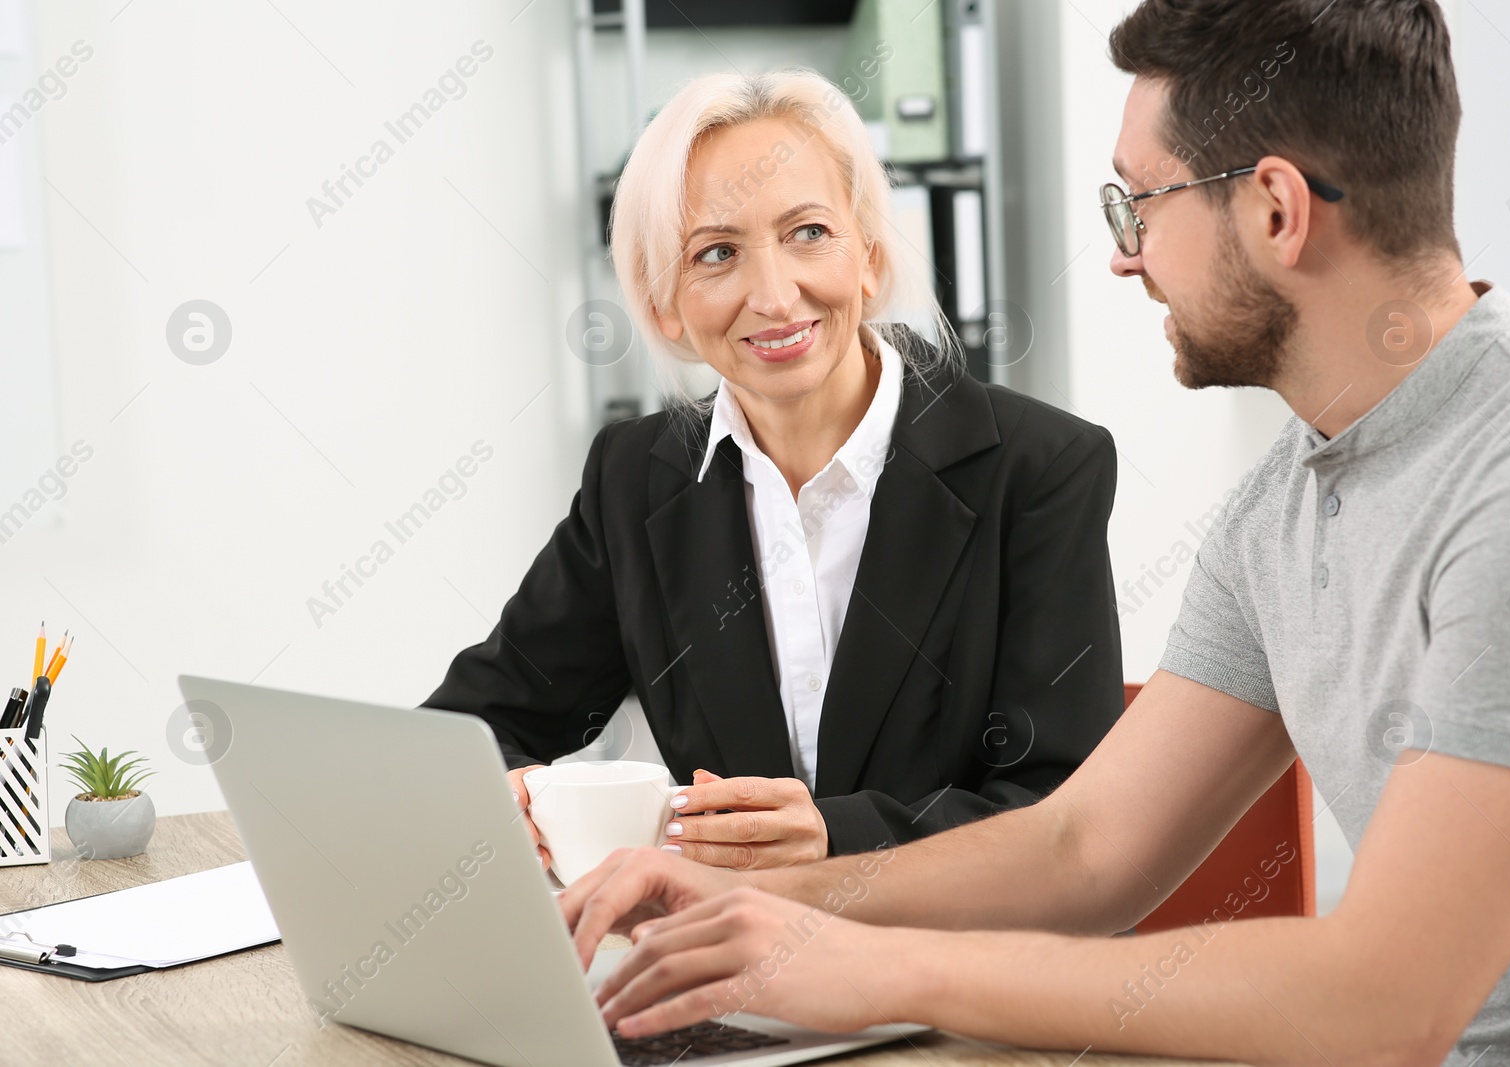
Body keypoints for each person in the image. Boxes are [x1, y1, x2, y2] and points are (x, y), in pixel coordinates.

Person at [557, 2, 1510, 1063]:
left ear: (1276, 211)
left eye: (1137, 204)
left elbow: (1380, 1001)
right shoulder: (1281, 506)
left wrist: (871, 963)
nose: (1124, 257)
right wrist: (747, 895)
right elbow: (1084, 847)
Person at [424, 68, 1125, 871]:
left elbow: (1069, 813)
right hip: (731, 976)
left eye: (809, 233)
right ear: (664, 307)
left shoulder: (1041, 469)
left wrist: (843, 838)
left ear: (866, 254)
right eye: (717, 253)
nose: (774, 294)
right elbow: (475, 724)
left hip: (954, 976)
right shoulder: (636, 479)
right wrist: (512, 794)